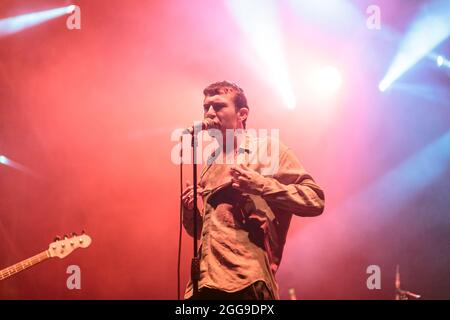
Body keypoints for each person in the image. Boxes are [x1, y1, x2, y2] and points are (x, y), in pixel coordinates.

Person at [181, 81, 325, 300]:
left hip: (246, 282)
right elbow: (209, 230)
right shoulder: (210, 162)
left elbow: (314, 200)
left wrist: (260, 185)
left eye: (218, 106)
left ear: (242, 114)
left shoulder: (267, 148)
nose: (209, 113)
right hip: (204, 285)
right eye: (206, 107)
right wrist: (190, 211)